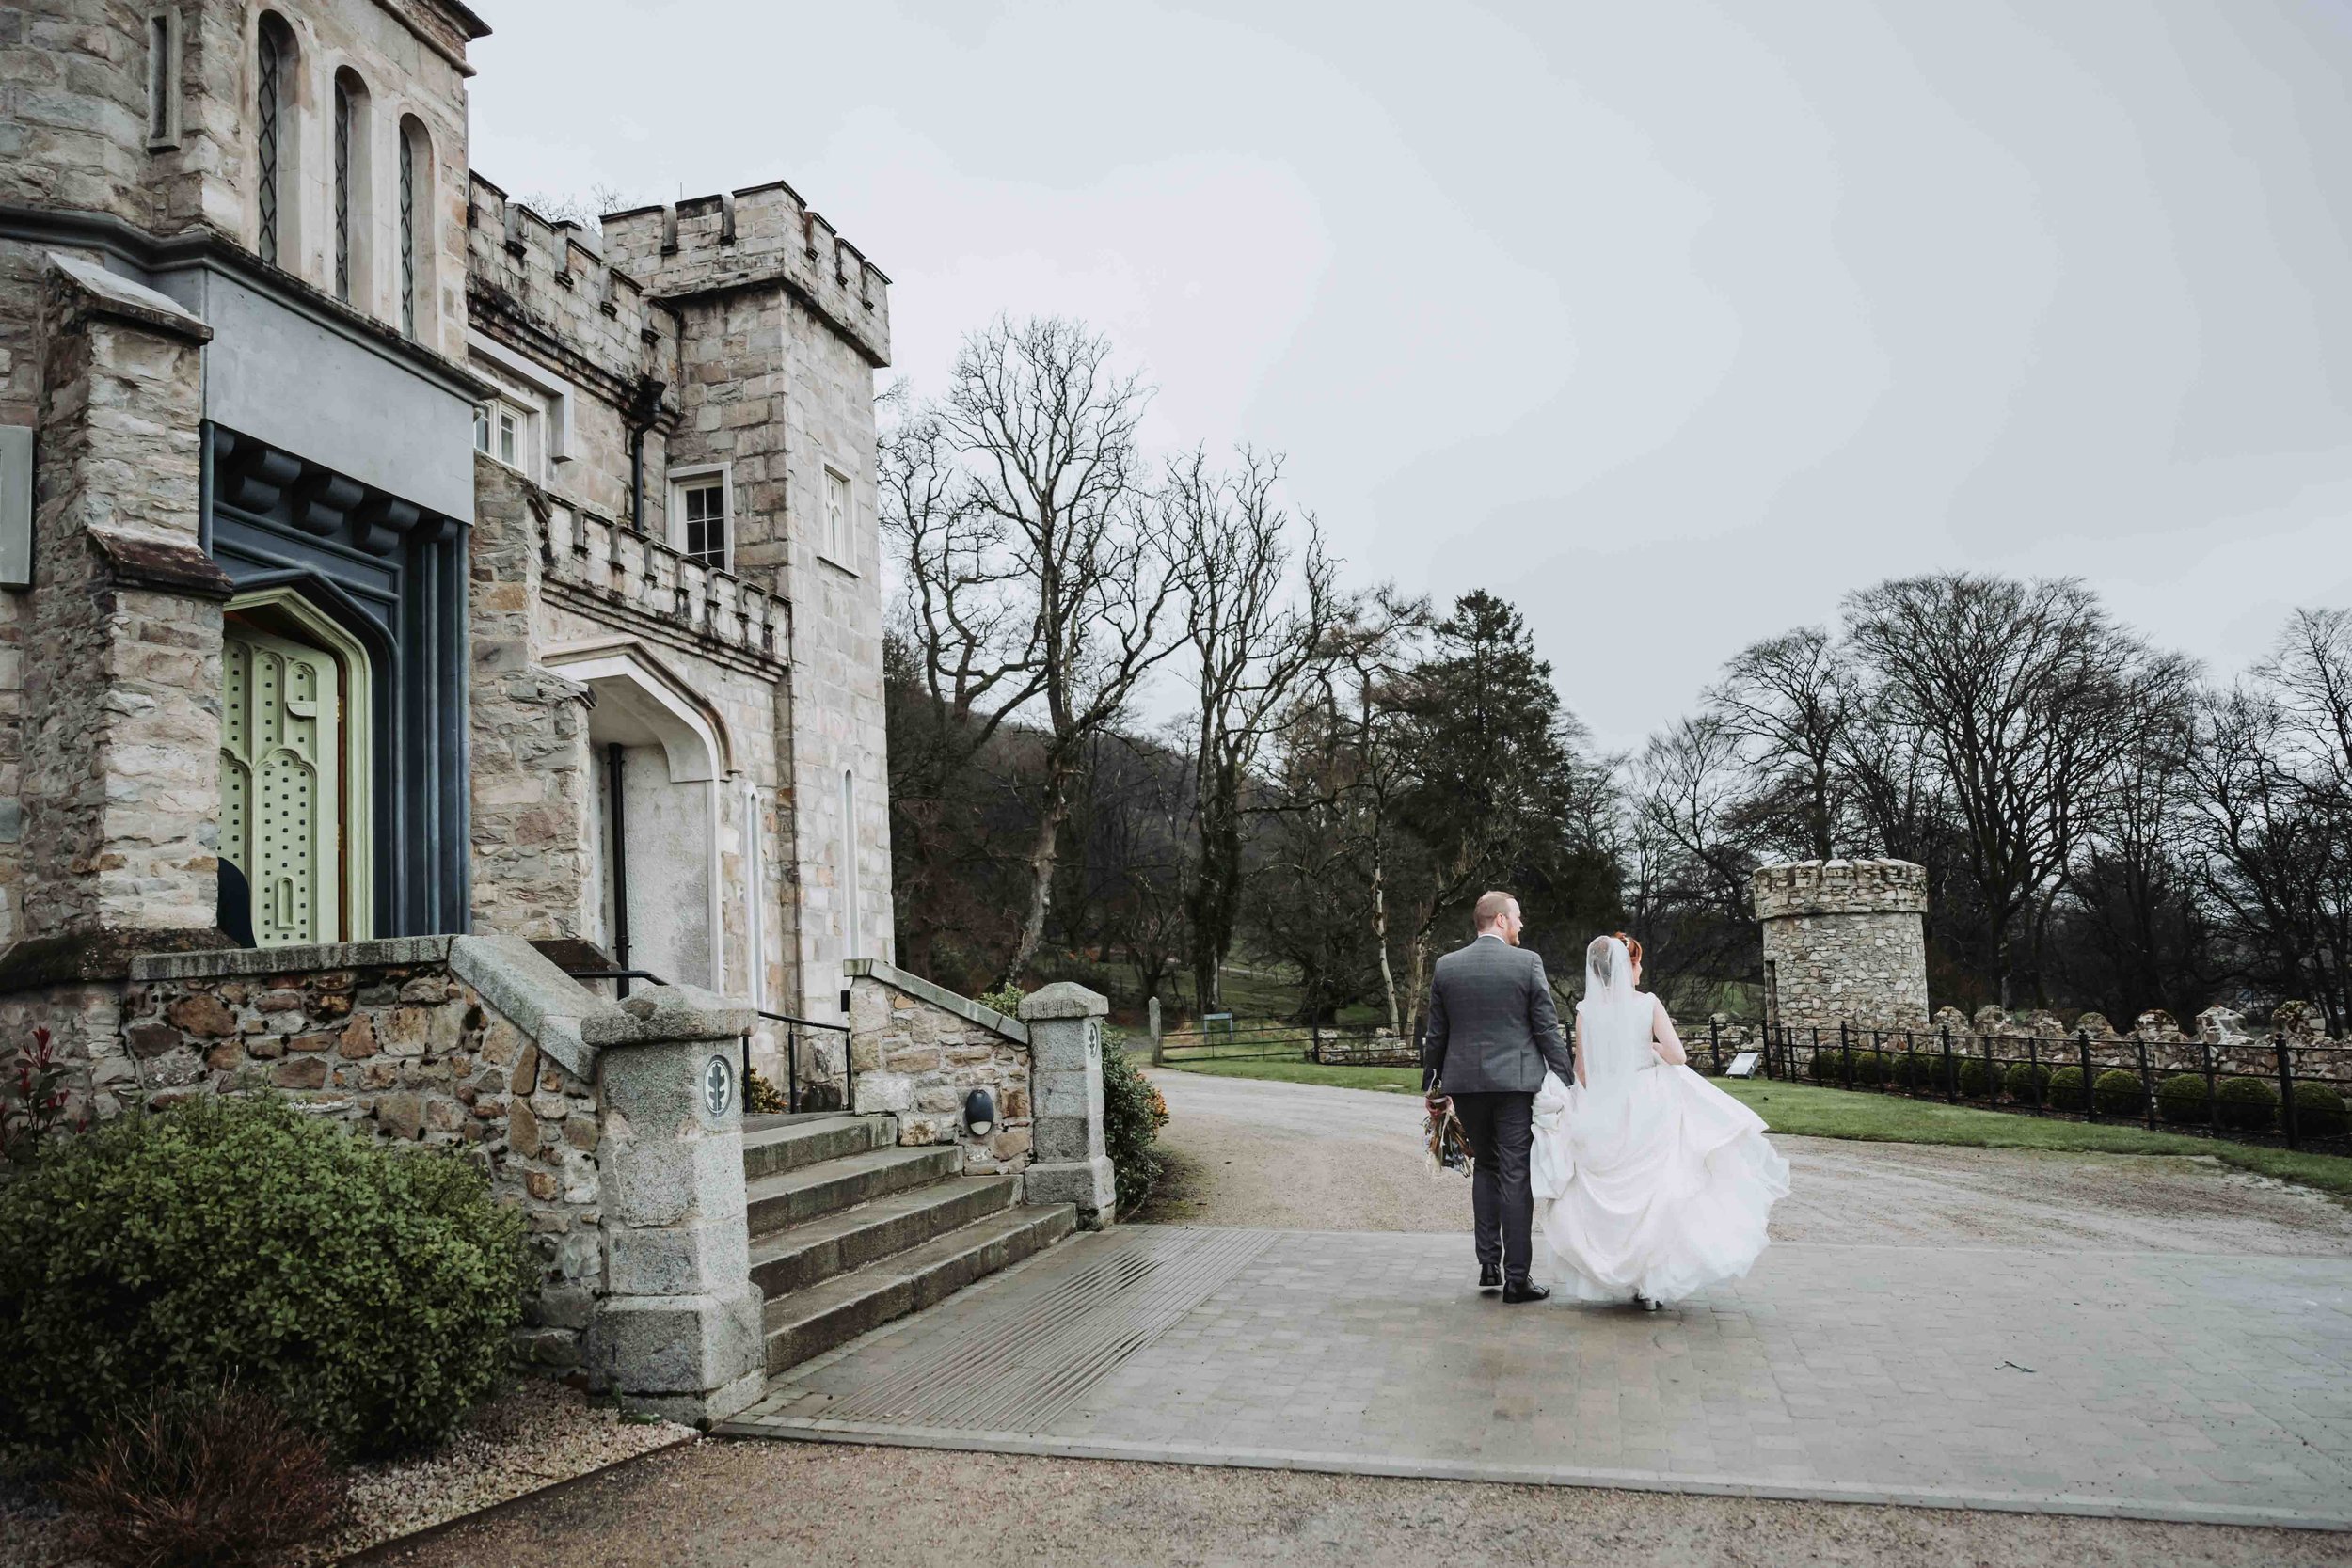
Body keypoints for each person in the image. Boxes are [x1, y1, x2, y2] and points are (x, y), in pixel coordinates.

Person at [1531, 932, 1789, 1308]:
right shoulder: (1648, 1003)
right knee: (1657, 1189)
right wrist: (1651, 1047)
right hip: (1648, 1100)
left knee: (1615, 1189)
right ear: (1629, 966)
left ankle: (1623, 1271)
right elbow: (1679, 1056)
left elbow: (1582, 1072)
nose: (1640, 969)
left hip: (1605, 1105)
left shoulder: (1586, 1011)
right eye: (1638, 963)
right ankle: (1651, 1285)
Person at [1422, 891, 1577, 1304]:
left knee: (1486, 1166)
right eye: (1519, 918)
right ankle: (1516, 1279)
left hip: (1465, 1083)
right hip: (1515, 1084)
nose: (1522, 925)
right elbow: (1545, 1028)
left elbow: (1437, 1034)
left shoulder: (1446, 967)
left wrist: (1432, 1084)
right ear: (1502, 921)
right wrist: (1567, 1078)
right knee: (1514, 1172)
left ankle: (1488, 1264)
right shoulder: (1527, 964)